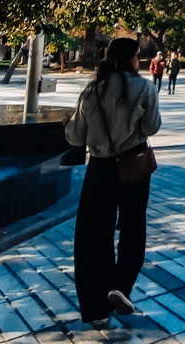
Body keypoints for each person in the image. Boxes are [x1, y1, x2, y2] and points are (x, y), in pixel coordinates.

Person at [65, 37, 161, 329]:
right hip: (133, 167)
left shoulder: (93, 90)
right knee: (133, 228)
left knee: (93, 235)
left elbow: (75, 137)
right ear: (133, 58)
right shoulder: (143, 87)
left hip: (99, 168)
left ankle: (95, 310)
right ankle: (121, 286)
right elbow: (152, 127)